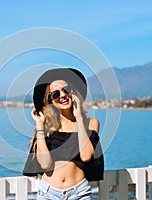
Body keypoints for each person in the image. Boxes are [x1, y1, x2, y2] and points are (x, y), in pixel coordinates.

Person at [23, 68, 104, 200]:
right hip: (48, 193)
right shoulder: (47, 127)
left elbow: (86, 156)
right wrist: (39, 126)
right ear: (50, 100)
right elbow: (45, 164)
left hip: (79, 193)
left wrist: (78, 117)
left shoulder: (91, 123)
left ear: (73, 92)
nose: (62, 95)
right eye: (55, 94)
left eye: (66, 90)